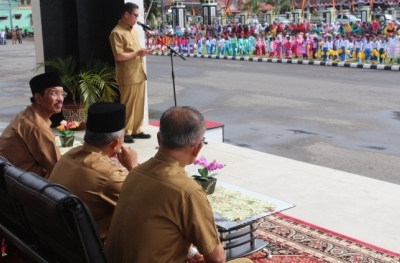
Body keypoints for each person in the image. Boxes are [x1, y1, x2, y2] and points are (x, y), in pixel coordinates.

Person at [105, 106, 253, 263]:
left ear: (159, 139)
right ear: (197, 148)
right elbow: (216, 259)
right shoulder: (188, 192)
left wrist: (190, 254)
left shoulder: (134, 173)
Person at [48, 102, 138, 240]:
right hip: (87, 249)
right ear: (114, 143)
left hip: (57, 240)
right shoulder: (109, 175)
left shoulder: (69, 155)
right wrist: (133, 167)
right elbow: (147, 202)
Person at [0, 72, 64, 178]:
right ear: (38, 98)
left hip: (11, 180)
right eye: (54, 93)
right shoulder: (38, 127)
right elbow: (58, 169)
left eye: (62, 94)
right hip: (27, 187)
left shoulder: (25, 114)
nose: (60, 99)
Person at [109, 2, 153, 144]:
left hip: (139, 72)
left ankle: (136, 129)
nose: (137, 18)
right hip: (127, 75)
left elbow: (136, 50)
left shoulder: (133, 30)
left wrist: (144, 52)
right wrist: (138, 53)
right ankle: (126, 131)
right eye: (135, 15)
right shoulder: (116, 32)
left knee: (139, 102)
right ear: (126, 14)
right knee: (128, 105)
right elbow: (119, 56)